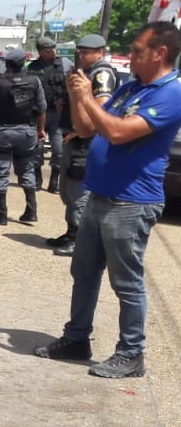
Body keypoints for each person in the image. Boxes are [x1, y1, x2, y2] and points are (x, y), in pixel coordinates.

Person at [35, 22, 181, 379]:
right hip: (100, 195)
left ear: (160, 53)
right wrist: (75, 93)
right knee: (83, 273)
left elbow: (116, 133)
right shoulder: (131, 88)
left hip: (131, 203)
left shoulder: (170, 92)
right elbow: (86, 128)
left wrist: (86, 98)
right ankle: (76, 339)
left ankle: (131, 353)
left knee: (126, 282)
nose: (130, 57)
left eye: (137, 51)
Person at [48, 34, 120, 257]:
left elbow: (102, 108)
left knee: (79, 193)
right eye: (81, 50)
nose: (82, 54)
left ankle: (81, 241)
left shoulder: (101, 73)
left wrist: (80, 130)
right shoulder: (86, 72)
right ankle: (72, 233)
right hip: (76, 138)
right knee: (68, 192)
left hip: (87, 143)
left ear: (100, 52)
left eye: (87, 51)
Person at [0, 48, 46, 225]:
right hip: (27, 132)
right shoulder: (34, 81)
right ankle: (31, 211)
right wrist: (41, 130)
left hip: (2, 132)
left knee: (0, 172)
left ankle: (1, 215)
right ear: (24, 62)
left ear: (7, 64)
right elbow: (42, 109)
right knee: (27, 169)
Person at [27, 37, 69, 194]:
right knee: (36, 149)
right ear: (40, 52)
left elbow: (71, 87)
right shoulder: (32, 67)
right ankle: (37, 179)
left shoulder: (64, 65)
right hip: (38, 115)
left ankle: (54, 181)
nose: (53, 52)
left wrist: (64, 100)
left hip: (57, 114)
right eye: (48, 49)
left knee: (59, 151)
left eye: (54, 48)